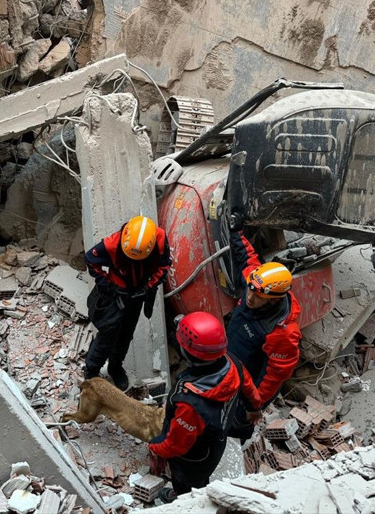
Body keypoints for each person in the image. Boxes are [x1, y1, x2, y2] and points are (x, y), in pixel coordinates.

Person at [149, 311, 261, 502]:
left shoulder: (191, 403)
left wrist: (155, 447)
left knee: (187, 483)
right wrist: (254, 409)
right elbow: (249, 388)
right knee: (201, 477)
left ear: (187, 353)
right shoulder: (231, 362)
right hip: (215, 443)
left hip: (193, 457)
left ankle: (184, 499)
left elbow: (176, 445)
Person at [225, 230, 301, 440]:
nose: (249, 298)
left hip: (248, 387)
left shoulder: (281, 333)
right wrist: (235, 230)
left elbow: (274, 376)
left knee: (238, 422)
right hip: (230, 365)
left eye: (257, 297)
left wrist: (254, 404)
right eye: (249, 290)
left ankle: (235, 442)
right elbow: (246, 256)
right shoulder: (256, 282)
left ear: (274, 300)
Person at [84, 215, 171, 391]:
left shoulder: (159, 240)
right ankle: (91, 370)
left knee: (126, 334)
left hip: (137, 295)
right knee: (108, 333)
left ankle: (115, 366)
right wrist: (108, 287)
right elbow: (91, 261)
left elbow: (164, 266)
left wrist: (148, 287)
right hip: (115, 295)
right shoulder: (112, 244)